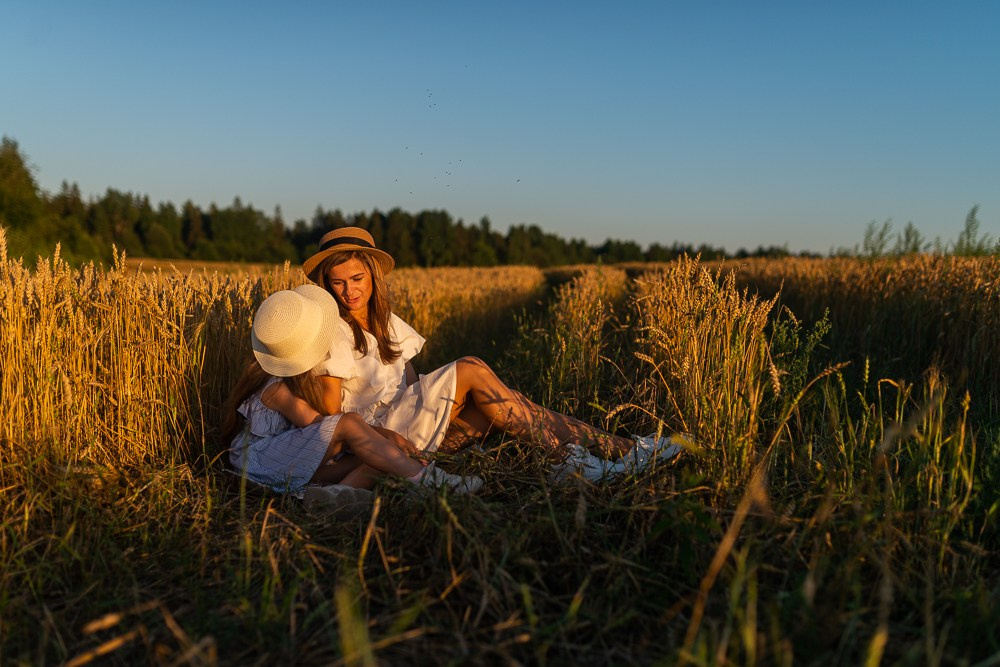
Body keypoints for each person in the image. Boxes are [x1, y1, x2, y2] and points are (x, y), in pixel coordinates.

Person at [300, 227, 682, 482]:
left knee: (507, 404)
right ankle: (572, 461)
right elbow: (332, 422)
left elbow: (411, 383)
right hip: (380, 437)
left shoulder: (386, 322)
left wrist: (444, 405)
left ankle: (623, 449)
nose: (349, 291)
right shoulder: (332, 331)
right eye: (338, 283)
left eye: (357, 279)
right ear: (326, 285)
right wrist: (384, 436)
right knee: (471, 368)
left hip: (408, 421)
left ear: (373, 276)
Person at [221, 284, 482, 516]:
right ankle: (430, 481)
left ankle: (336, 495)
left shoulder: (289, 381)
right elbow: (324, 427)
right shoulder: (275, 389)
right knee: (350, 424)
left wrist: (380, 444)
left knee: (375, 457)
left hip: (283, 460)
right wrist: (380, 435)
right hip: (261, 461)